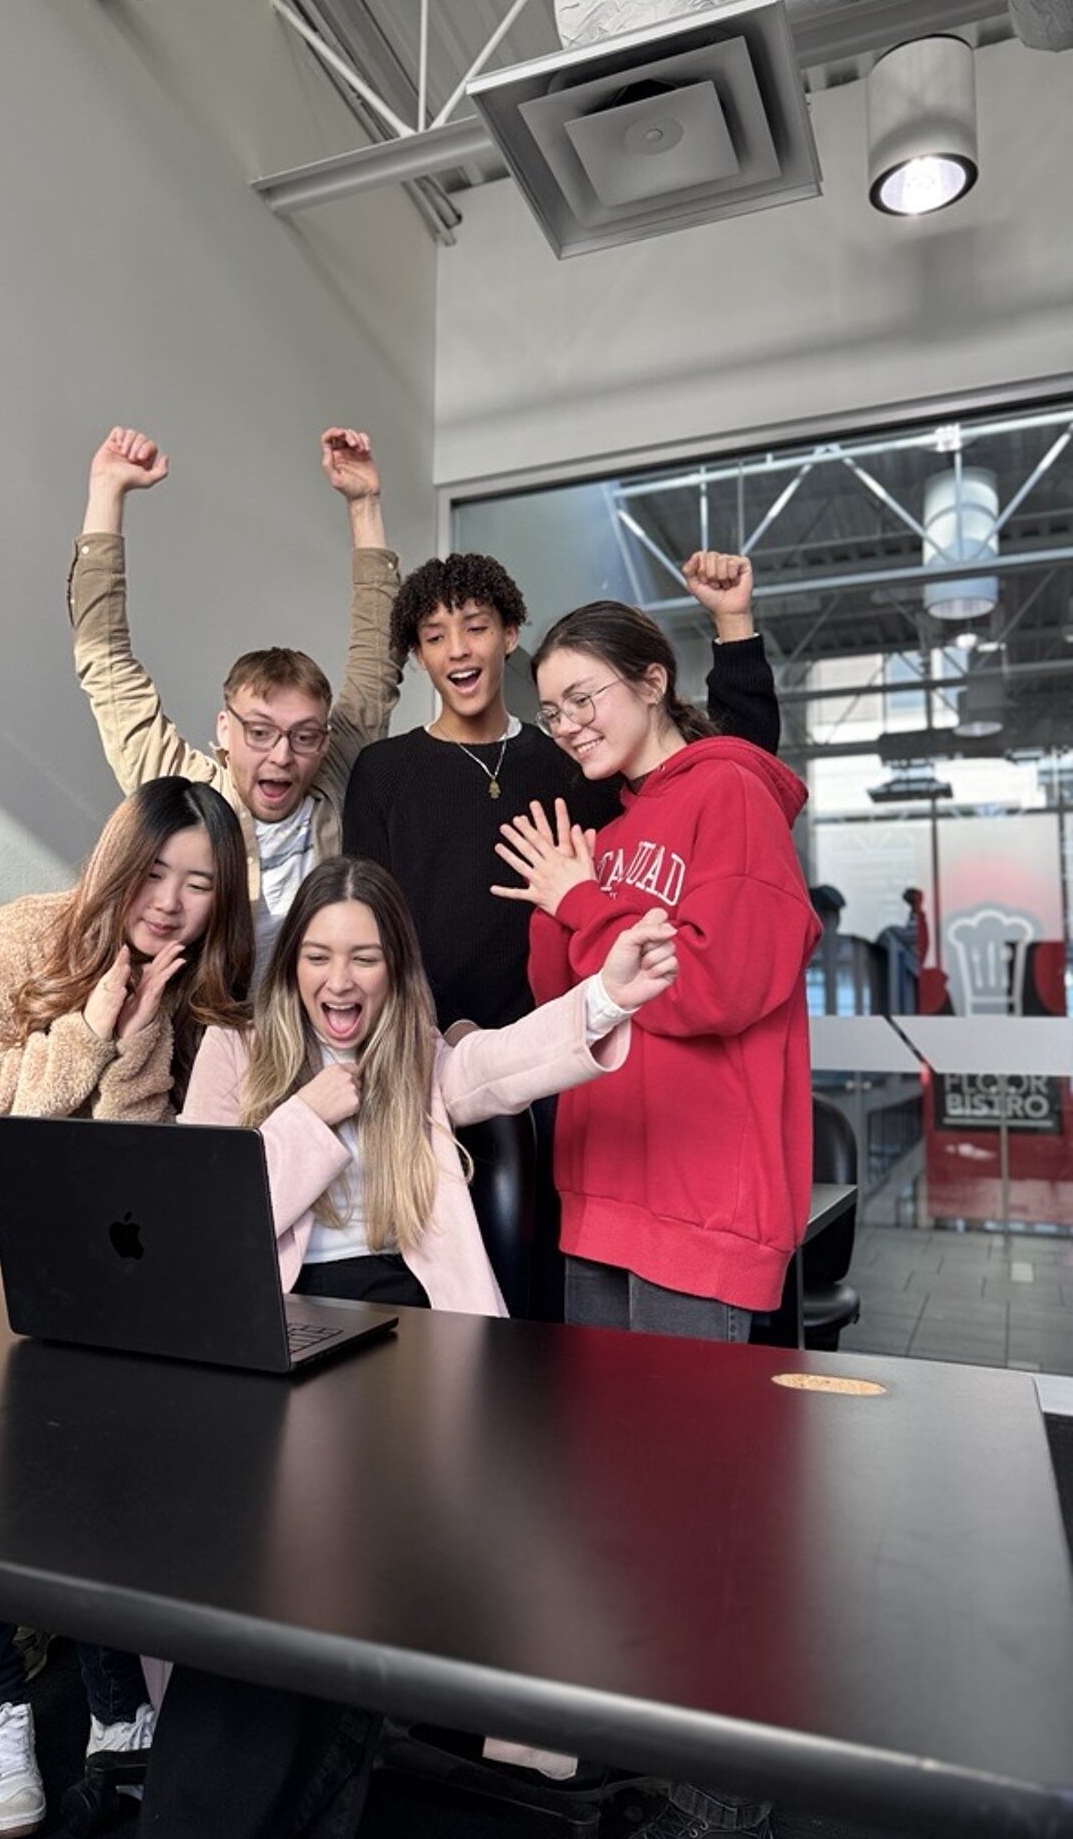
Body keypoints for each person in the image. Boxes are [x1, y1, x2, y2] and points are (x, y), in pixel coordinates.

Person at [135, 854, 680, 1838]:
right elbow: (201, 1222)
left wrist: (602, 995)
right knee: (265, 1548)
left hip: (415, 1340)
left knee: (331, 1547)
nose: (338, 980)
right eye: (316, 955)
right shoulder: (236, 1051)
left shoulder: (415, 1053)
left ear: (394, 969)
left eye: (363, 958)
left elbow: (505, 1063)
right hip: (279, 1328)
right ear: (288, 962)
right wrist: (307, 1116)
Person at [0, 776, 252, 1839]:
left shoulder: (180, 980)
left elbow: (115, 1154)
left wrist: (134, 1030)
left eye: (199, 883)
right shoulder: (21, 937)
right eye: (155, 870)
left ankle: (117, 1709)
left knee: (88, 1470)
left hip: (50, 1237)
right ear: (117, 859)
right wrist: (88, 1021)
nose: (169, 901)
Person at [493, 573, 819, 1839]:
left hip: (703, 1194)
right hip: (602, 1188)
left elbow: (722, 981)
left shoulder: (730, 795)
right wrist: (558, 903)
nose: (566, 721)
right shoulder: (605, 821)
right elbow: (568, 1002)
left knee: (699, 1505)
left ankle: (720, 1800)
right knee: (621, 1498)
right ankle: (644, 1745)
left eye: (583, 696)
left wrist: (582, 904)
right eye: (553, 708)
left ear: (651, 682)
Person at [342, 547, 781, 1033]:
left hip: (567, 1046)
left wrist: (734, 627)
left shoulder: (578, 762)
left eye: (476, 627)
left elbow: (727, 767)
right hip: (425, 1050)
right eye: (434, 636)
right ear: (420, 657)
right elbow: (364, 926)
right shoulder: (382, 771)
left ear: (509, 636)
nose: (458, 648)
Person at [70, 424, 404, 978]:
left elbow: (379, 655)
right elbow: (107, 668)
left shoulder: (335, 773)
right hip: (207, 1036)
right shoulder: (189, 794)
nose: (281, 757)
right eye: (260, 732)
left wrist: (365, 503)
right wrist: (107, 492)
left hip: (315, 1030)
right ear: (225, 730)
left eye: (303, 736)